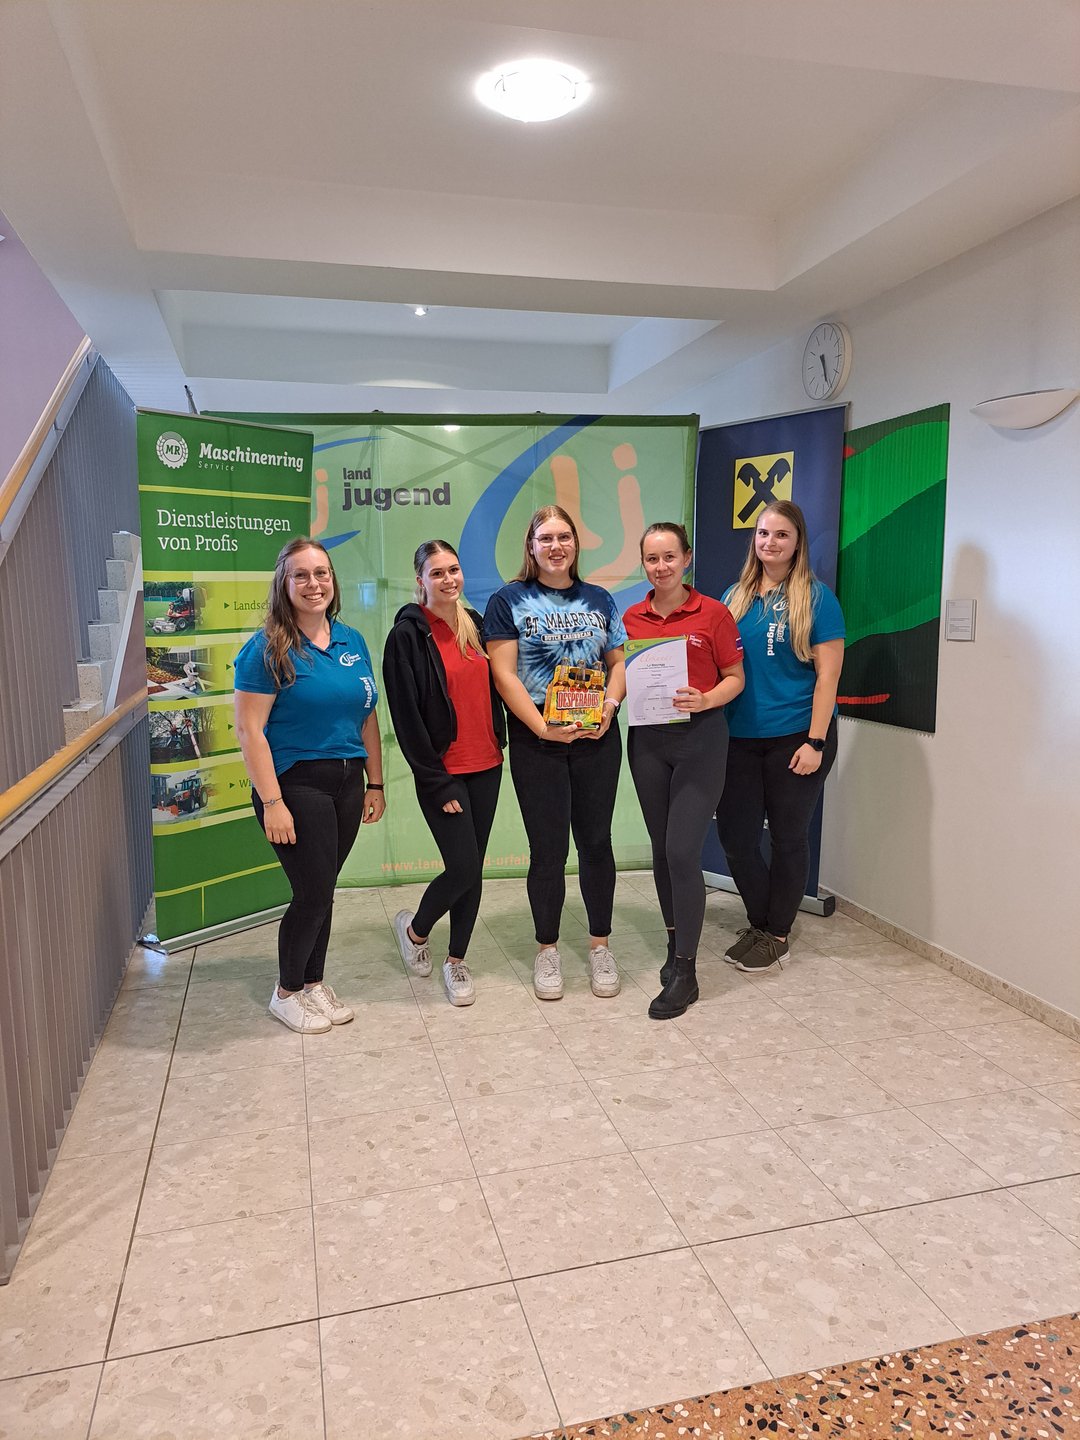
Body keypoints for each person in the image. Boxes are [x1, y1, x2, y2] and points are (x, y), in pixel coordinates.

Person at [234, 536, 385, 1033]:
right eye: (301, 575)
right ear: (284, 583)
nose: (313, 583)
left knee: (324, 889)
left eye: (321, 573)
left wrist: (375, 782)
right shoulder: (266, 649)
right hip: (295, 785)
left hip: (348, 782)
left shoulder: (351, 641)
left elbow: (367, 716)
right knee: (312, 894)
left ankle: (313, 983)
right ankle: (286, 992)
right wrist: (272, 802)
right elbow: (249, 731)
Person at [485, 505, 626, 1001]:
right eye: (545, 538)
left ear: (575, 544)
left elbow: (617, 665)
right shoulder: (507, 600)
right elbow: (503, 674)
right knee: (548, 850)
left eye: (564, 537)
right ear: (531, 546)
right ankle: (547, 949)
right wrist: (543, 727)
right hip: (537, 740)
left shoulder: (599, 599)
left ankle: (600, 945)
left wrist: (610, 707)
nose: (556, 546)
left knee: (597, 843)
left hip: (596, 737)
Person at [715, 501, 845, 973]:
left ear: (797, 542)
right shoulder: (734, 596)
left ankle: (777, 935)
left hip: (797, 737)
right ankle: (761, 920)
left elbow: (828, 677)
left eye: (782, 535)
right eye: (763, 533)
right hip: (739, 737)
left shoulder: (817, 598)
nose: (770, 542)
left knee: (788, 839)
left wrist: (816, 743)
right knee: (736, 839)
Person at [623, 523, 745, 1019]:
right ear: (644, 564)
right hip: (648, 743)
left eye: (669, 557)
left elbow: (735, 677)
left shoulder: (713, 613)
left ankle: (688, 972)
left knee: (681, 850)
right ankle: (676, 948)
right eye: (652, 559)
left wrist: (707, 698)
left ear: (686, 558)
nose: (661, 567)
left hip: (701, 740)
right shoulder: (632, 616)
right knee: (661, 850)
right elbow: (622, 671)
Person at [382, 540, 505, 1006]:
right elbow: (406, 718)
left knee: (474, 870)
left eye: (453, 570)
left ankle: (456, 960)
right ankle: (415, 932)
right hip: (444, 772)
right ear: (420, 580)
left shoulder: (475, 624)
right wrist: (434, 781)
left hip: (487, 764)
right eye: (437, 573)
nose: (448, 579)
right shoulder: (407, 636)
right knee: (463, 867)